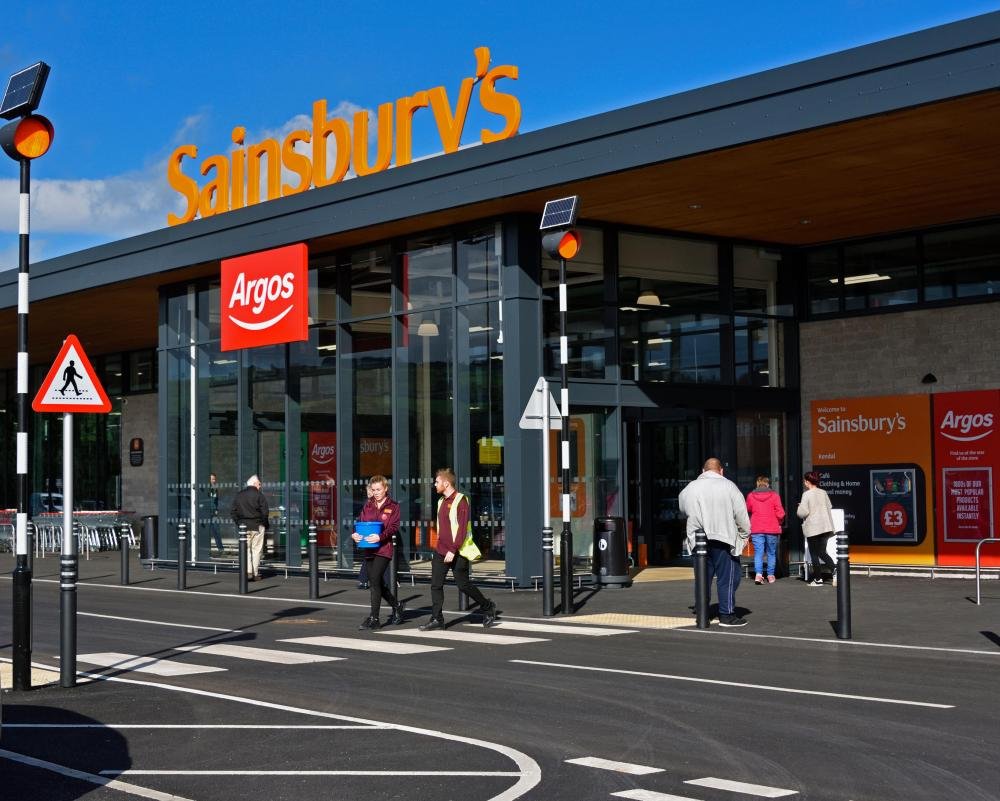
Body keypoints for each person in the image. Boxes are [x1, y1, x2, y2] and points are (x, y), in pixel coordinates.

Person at [420, 468, 498, 630]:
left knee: (463, 585)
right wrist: (441, 547)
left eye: (437, 482)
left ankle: (487, 606)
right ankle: (437, 618)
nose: (434, 484)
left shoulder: (461, 501)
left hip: (458, 551)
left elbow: (462, 530)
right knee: (436, 585)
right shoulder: (441, 501)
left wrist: (453, 549)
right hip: (441, 550)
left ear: (446, 483)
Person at [678, 457, 751, 627]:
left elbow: (682, 509)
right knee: (728, 578)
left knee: (702, 578)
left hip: (698, 539)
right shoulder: (729, 486)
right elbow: (741, 515)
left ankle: (702, 612)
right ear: (721, 471)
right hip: (723, 538)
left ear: (703, 471)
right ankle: (727, 615)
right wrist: (743, 535)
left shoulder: (690, 488)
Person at [352, 475, 405, 630]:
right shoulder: (368, 505)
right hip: (368, 548)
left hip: (383, 549)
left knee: (374, 580)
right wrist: (355, 534)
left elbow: (393, 527)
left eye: (379, 489)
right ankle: (397, 605)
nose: (376, 493)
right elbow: (360, 522)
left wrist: (380, 537)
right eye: (373, 490)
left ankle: (374, 618)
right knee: (377, 582)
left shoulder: (393, 506)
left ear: (385, 488)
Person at [797, 471, 836, 586]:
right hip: (825, 527)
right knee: (822, 552)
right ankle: (835, 570)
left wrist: (800, 507)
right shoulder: (823, 492)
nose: (804, 482)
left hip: (813, 528)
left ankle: (818, 579)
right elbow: (829, 506)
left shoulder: (806, 494)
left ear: (807, 482)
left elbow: (802, 513)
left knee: (814, 554)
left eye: (805, 481)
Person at [746, 475, 785, 585]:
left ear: (757, 484)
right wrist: (779, 521)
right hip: (772, 528)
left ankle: (758, 575)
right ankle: (770, 575)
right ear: (767, 484)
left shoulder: (751, 496)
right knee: (771, 553)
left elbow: (747, 509)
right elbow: (780, 513)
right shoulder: (774, 496)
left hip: (756, 528)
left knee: (758, 553)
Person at [231, 474, 268, 581]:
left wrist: (239, 523)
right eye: (259, 483)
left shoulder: (239, 495)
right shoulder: (260, 495)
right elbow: (265, 512)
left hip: (244, 527)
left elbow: (233, 512)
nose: (260, 485)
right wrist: (264, 524)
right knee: (257, 550)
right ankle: (255, 573)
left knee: (246, 550)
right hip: (257, 526)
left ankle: (248, 572)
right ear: (254, 483)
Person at [207, 472, 223, 554]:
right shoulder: (206, 488)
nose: (214, 481)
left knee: (216, 530)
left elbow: (216, 500)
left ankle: (221, 549)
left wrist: (216, 509)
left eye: (214, 479)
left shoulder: (215, 488)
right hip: (206, 512)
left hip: (213, 513)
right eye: (212, 479)